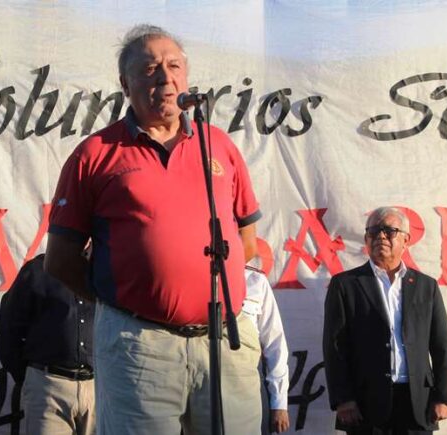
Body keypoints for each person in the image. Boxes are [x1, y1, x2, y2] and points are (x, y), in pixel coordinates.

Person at [44, 24, 262, 435]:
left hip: (224, 343)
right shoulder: (95, 154)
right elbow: (60, 261)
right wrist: (129, 300)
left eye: (174, 65)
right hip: (139, 348)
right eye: (149, 68)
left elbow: (246, 243)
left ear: (186, 75)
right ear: (125, 84)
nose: (165, 76)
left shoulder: (219, 145)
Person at [322, 207, 447, 435]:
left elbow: (441, 343)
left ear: (406, 240)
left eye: (389, 231)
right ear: (366, 239)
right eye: (374, 231)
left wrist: (445, 397)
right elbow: (335, 347)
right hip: (365, 404)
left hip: (417, 402)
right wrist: (343, 399)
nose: (381, 236)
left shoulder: (426, 286)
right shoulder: (345, 285)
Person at [0, 253, 95, 435]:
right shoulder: (37, 270)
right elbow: (8, 331)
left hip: (95, 389)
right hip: (49, 387)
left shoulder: (103, 271)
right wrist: (30, 377)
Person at [242, 266, 290, 433]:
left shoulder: (254, 279)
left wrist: (279, 403)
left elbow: (274, 343)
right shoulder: (187, 278)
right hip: (201, 382)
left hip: (249, 380)